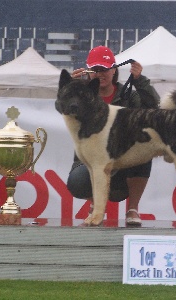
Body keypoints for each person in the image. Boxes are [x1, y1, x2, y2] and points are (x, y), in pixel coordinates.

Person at [66, 46, 160, 225]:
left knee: (144, 150)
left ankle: (132, 209)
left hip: (124, 161)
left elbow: (155, 107)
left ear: (114, 70)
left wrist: (141, 81)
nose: (100, 74)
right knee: (77, 182)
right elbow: (67, 112)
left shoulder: (129, 96)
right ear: (87, 71)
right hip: (91, 160)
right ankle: (95, 206)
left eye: (104, 69)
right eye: (95, 70)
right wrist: (69, 86)